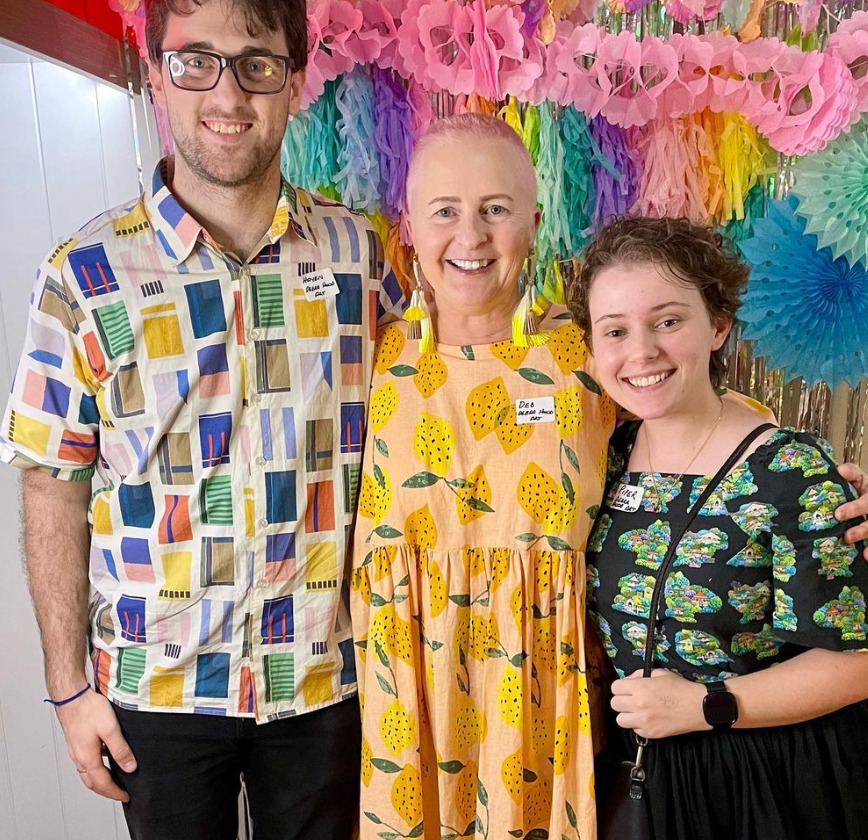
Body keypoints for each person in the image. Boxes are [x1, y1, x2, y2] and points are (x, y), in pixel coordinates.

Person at [0, 0, 403, 838]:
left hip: (326, 677)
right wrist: (70, 690)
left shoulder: (363, 257)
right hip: (159, 690)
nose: (227, 93)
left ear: (295, 82)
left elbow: (435, 387)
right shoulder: (82, 278)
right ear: (155, 74)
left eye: (257, 63)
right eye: (195, 61)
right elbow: (52, 487)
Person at [350, 113, 617, 840]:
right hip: (408, 708)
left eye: (495, 211)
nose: (470, 238)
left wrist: (803, 485)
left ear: (533, 223)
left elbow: (700, 433)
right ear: (408, 229)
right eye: (445, 212)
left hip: (541, 714)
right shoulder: (369, 357)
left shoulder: (591, 362)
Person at [570, 215, 868, 840]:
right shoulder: (606, 456)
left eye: (668, 321)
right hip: (636, 779)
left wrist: (709, 706)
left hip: (758, 780)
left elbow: (856, 662)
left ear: (719, 324)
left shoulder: (788, 467)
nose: (641, 351)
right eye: (615, 331)